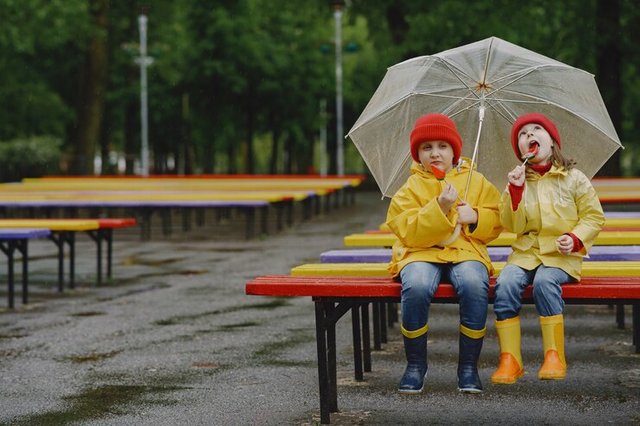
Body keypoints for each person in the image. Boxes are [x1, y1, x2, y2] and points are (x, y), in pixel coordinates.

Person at [385, 113, 502, 394]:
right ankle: (415, 365)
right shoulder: (410, 187)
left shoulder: (476, 180)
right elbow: (406, 228)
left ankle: (468, 367)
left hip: (466, 251)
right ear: (418, 154)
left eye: (442, 146)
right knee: (417, 285)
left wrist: (473, 215)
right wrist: (439, 207)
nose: (435, 153)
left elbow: (497, 221)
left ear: (454, 151)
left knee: (475, 284)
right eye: (426, 147)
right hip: (421, 252)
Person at [491, 112, 605, 384]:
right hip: (526, 253)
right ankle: (510, 359)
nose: (528, 135)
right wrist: (516, 192)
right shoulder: (517, 181)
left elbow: (593, 216)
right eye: (522, 134)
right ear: (520, 150)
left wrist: (575, 238)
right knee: (505, 283)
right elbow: (511, 223)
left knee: (544, 282)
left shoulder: (573, 178)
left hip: (560, 256)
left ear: (552, 142)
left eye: (535, 130)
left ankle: (554, 354)